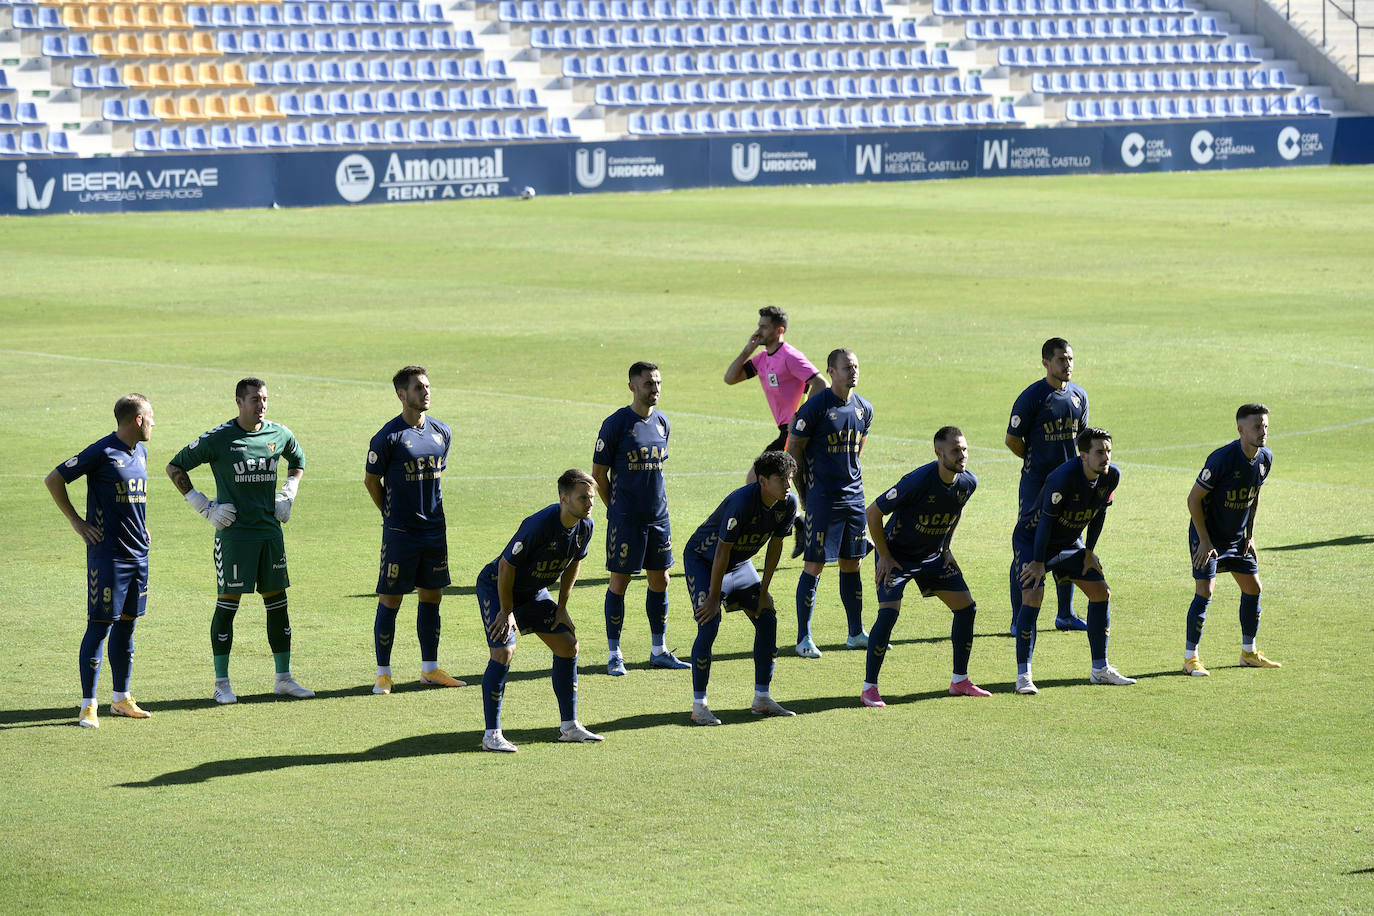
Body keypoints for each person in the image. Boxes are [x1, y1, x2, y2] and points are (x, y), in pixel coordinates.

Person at [166, 377, 313, 704]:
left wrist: (288, 493)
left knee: (277, 603)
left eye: (264, 399)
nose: (261, 405)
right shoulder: (219, 439)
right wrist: (202, 505)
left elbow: (298, 460)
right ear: (239, 402)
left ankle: (284, 678)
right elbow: (175, 465)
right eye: (255, 400)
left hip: (269, 533)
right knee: (228, 603)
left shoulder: (278, 433)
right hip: (234, 536)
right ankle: (222, 684)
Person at [45, 394, 156, 728]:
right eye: (150, 417)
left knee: (128, 625)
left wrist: (142, 526)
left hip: (139, 556)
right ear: (137, 419)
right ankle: (87, 705)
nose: (154, 423)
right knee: (99, 627)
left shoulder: (142, 452)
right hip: (108, 557)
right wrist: (77, 522)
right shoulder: (103, 451)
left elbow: (132, 497)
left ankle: (121, 699)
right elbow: (54, 479)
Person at [861, 427, 991, 707]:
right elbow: (872, 512)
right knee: (888, 615)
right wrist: (883, 556)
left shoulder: (968, 482)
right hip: (897, 556)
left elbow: (957, 510)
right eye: (956, 450)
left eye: (965, 449)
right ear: (938, 453)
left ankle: (960, 681)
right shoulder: (917, 481)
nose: (962, 455)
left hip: (932, 556)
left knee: (967, 608)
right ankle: (869, 688)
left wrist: (946, 547)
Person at [476, 469, 604, 752]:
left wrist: (562, 607)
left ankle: (569, 727)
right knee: (503, 651)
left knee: (568, 646)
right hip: (498, 587)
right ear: (564, 498)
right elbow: (506, 565)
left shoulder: (586, 526)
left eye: (591, 497)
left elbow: (573, 562)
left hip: (533, 592)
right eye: (583, 497)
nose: (590, 503)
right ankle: (491, 735)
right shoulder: (539, 525)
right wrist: (506, 611)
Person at [364, 366, 465, 695]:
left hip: (435, 531)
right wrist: (390, 514)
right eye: (419, 388)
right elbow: (371, 481)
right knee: (391, 598)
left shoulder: (442, 432)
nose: (426, 393)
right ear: (401, 394)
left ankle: (430, 669)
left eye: (427, 387)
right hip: (401, 534)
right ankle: (383, 673)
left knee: (432, 596)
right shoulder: (387, 437)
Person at [1013, 427, 1135, 694]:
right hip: (1033, 542)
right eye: (1099, 452)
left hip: (1069, 543)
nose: (1106, 458)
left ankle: (1100, 670)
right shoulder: (1062, 478)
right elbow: (1045, 523)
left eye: (1109, 451)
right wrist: (1037, 562)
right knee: (1033, 598)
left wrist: (1089, 551)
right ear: (1083, 456)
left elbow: (1100, 513)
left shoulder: (1111, 476)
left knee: (1101, 593)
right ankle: (1023, 676)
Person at [684, 450, 800, 725]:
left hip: (740, 563)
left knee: (767, 618)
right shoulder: (741, 502)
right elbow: (722, 551)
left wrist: (763, 591)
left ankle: (762, 698)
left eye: (791, 478)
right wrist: (713, 598)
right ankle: (699, 706)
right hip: (705, 560)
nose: (788, 484)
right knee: (709, 623)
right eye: (782, 478)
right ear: (762, 480)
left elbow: (776, 544)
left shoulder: (788, 503)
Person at [592, 361, 689, 676]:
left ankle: (658, 649)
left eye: (658, 383)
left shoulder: (663, 423)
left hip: (658, 518)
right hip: (626, 520)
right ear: (633, 386)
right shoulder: (616, 424)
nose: (655, 389)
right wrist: (615, 508)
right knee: (620, 582)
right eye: (649, 383)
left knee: (660, 579)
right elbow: (598, 474)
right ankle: (613, 653)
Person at [786, 348, 873, 658]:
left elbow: (857, 450)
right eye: (847, 367)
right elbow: (793, 452)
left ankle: (855, 632)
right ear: (831, 371)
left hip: (854, 499)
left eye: (856, 366)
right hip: (823, 499)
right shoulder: (814, 408)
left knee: (853, 563)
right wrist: (805, 494)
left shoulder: (864, 408)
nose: (853, 371)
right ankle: (803, 637)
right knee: (815, 564)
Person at [1183, 404, 1279, 675]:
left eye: (1265, 427)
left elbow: (1254, 495)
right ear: (1240, 429)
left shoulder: (1265, 459)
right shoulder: (1222, 459)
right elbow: (1193, 499)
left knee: (1253, 588)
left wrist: (1250, 536)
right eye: (1257, 427)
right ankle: (1191, 659)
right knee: (1205, 591)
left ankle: (1248, 653)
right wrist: (1204, 541)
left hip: (1238, 539)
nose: (1263, 432)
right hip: (1208, 536)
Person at [723, 306, 825, 556]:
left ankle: (796, 524)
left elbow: (821, 383)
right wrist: (748, 350)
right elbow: (730, 378)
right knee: (799, 485)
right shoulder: (762, 359)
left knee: (757, 479)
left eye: (764, 326)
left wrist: (800, 416)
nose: (759, 330)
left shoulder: (790, 356)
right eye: (759, 325)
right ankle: (809, 526)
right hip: (785, 431)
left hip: (795, 432)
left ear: (779, 330)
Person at [1006, 338, 1091, 633]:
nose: (1067, 364)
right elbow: (1013, 440)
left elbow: (1082, 441)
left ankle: (1065, 614)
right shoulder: (1033, 396)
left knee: (1066, 541)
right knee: (1027, 550)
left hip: (1071, 485)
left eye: (1070, 359)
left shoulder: (1079, 396)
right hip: (1037, 486)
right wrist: (1034, 460)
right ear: (1046, 362)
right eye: (1061, 359)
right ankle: (1019, 618)